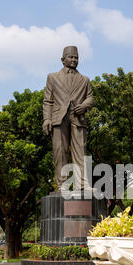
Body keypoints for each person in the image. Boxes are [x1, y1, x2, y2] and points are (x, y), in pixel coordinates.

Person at [43, 46, 94, 190]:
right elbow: (48, 101)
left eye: (76, 58)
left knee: (81, 152)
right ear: (62, 59)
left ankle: (83, 184)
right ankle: (63, 185)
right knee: (60, 152)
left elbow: (90, 98)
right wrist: (47, 119)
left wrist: (84, 105)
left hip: (78, 118)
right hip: (59, 118)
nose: (73, 60)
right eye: (71, 57)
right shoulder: (52, 77)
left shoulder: (84, 80)